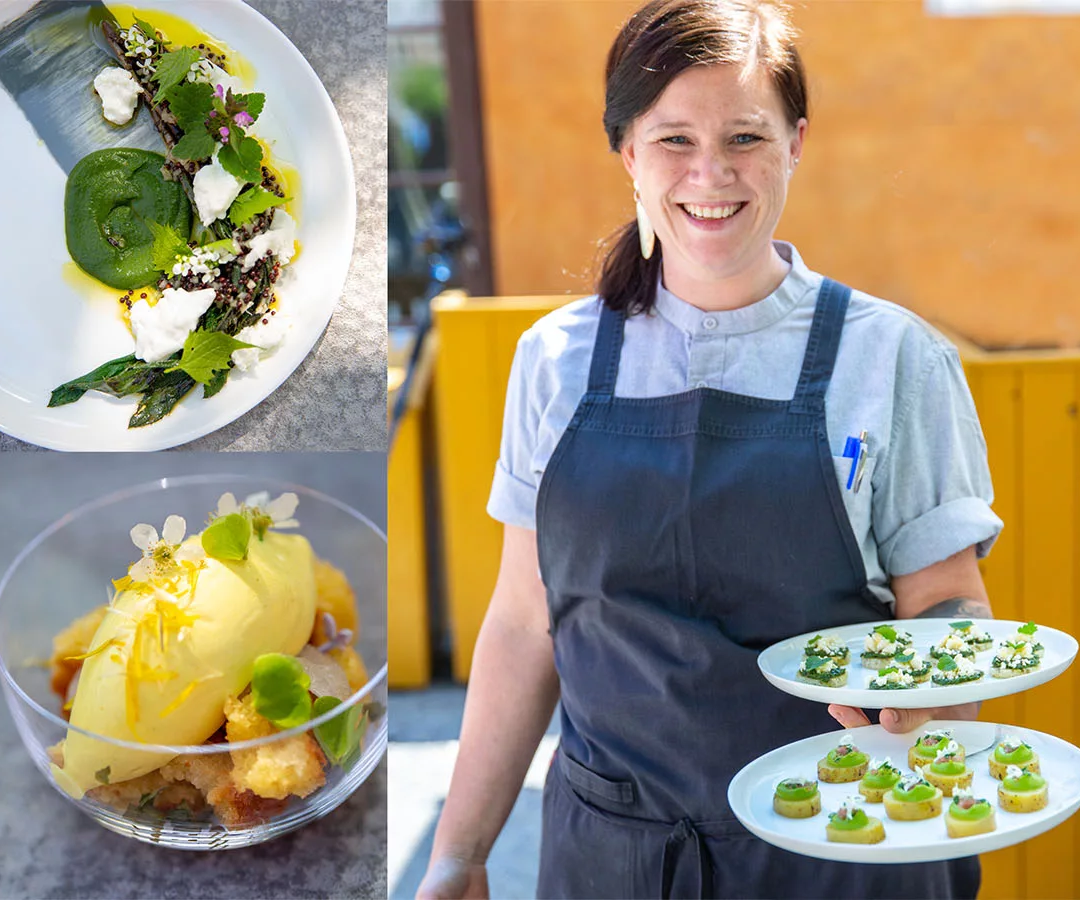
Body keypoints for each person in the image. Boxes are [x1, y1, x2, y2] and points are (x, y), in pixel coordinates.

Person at [418, 1, 1003, 896]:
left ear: (796, 143)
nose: (711, 173)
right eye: (674, 140)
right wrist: (459, 854)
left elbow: (951, 600)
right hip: (612, 857)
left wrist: (927, 698)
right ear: (628, 154)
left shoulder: (890, 357)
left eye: (746, 137)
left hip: (840, 846)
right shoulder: (555, 361)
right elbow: (522, 622)